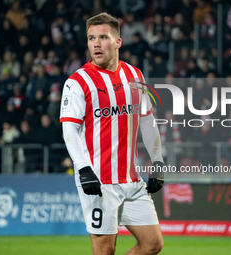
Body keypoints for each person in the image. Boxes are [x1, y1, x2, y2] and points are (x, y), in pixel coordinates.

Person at [60, 13, 164, 255]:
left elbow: (147, 121)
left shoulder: (135, 76)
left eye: (103, 37)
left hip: (131, 178)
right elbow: (69, 129)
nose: (95, 43)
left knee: (153, 244)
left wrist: (157, 160)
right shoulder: (77, 82)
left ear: (118, 42)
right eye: (91, 38)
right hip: (99, 180)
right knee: (105, 250)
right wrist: (83, 168)